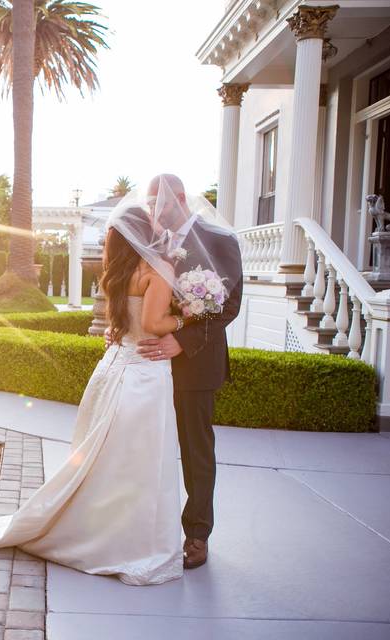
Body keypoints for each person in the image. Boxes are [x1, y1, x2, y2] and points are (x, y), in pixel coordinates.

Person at [0, 210, 185, 586]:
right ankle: (127, 540)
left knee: (107, 457)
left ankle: (97, 525)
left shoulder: (119, 273)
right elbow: (156, 323)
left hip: (114, 366)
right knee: (140, 460)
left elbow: (118, 325)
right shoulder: (157, 271)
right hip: (143, 374)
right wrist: (187, 318)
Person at [129, 174, 243, 569]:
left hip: (196, 363)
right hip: (149, 364)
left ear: (179, 199)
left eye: (156, 203)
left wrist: (184, 340)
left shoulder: (219, 240)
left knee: (196, 452)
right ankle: (145, 528)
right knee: (148, 447)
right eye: (147, 204)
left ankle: (197, 534)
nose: (150, 210)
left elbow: (228, 306)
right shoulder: (153, 245)